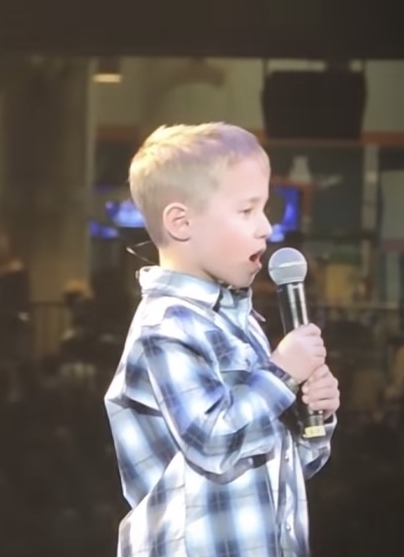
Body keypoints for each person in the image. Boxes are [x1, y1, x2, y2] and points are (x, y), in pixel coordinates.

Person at [104, 123, 340, 557]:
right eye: (247, 211)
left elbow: (283, 467)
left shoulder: (243, 321)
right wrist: (282, 373)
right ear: (181, 222)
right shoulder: (165, 326)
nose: (266, 228)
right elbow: (213, 440)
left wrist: (313, 418)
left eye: (264, 209)